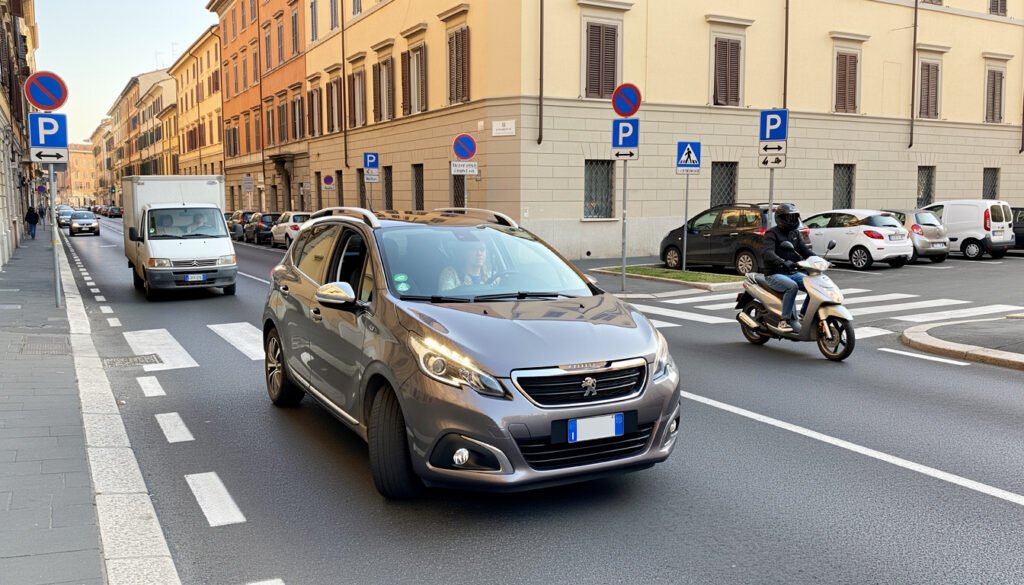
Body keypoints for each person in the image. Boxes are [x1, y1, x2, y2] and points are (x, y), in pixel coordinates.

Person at [762, 203, 814, 333]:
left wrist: (819, 260)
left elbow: (804, 250)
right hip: (774, 273)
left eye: (794, 217)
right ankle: (784, 321)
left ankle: (803, 315)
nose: (792, 220)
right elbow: (768, 253)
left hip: (792, 272)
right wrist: (782, 262)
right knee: (792, 287)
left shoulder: (795, 233)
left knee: (814, 285)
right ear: (780, 218)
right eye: (789, 217)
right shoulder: (772, 233)